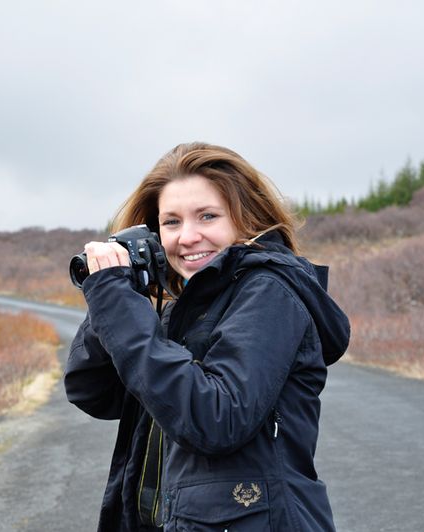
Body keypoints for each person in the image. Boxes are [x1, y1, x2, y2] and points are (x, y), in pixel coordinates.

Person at [65, 142, 350, 531]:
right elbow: (93, 391)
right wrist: (117, 293)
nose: (187, 236)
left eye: (208, 216)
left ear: (246, 218)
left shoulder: (269, 294)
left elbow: (216, 418)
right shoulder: (180, 310)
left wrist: (116, 305)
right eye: (171, 222)